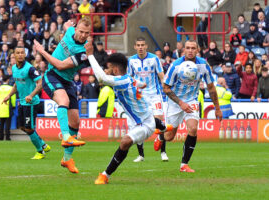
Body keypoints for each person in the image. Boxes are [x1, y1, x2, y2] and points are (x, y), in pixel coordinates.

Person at [83, 44, 170, 185]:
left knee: (125, 142)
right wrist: (140, 86)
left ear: (115, 69)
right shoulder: (129, 78)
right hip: (143, 118)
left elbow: (101, 78)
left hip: (144, 125)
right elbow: (141, 84)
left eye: (109, 68)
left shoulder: (123, 80)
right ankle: (164, 128)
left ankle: (105, 175)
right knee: (147, 125)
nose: (107, 70)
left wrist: (90, 55)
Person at [33, 18, 92, 173]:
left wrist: (42, 51)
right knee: (63, 100)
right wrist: (67, 24)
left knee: (76, 122)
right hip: (51, 75)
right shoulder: (71, 30)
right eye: (81, 31)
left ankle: (67, 159)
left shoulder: (82, 54)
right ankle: (65, 136)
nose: (83, 35)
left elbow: (60, 64)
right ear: (76, 28)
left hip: (66, 80)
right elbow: (67, 26)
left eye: (86, 33)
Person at [154, 40, 222, 173]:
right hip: (175, 102)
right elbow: (166, 88)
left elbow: (211, 87)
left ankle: (184, 164)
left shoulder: (203, 65)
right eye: (188, 48)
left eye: (193, 48)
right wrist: (180, 103)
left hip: (192, 100)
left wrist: (217, 108)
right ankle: (161, 137)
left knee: (193, 129)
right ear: (183, 50)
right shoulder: (176, 66)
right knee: (169, 136)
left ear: (197, 50)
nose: (190, 50)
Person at [2, 46, 51, 159]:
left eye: (22, 53)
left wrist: (31, 95)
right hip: (22, 102)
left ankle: (40, 152)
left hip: (31, 103)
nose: (20, 55)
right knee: (22, 127)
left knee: (29, 128)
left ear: (25, 55)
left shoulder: (30, 69)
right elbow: (16, 84)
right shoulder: (14, 68)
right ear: (14, 55)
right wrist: (9, 95)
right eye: (17, 53)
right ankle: (43, 144)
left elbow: (40, 83)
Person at [128, 37, 169, 162]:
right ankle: (141, 155)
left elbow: (161, 76)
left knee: (159, 120)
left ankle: (163, 152)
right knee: (138, 123)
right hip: (140, 96)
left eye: (142, 45)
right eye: (138, 45)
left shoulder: (154, 59)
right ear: (135, 47)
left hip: (154, 94)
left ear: (146, 46)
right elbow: (129, 78)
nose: (140, 47)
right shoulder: (131, 61)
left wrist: (166, 89)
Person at [0, 75, 16, 140]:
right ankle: (7, 137)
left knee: (1, 123)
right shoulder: (10, 88)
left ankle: (0, 137)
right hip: (8, 107)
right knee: (8, 123)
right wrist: (13, 105)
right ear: (8, 80)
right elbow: (13, 98)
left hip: (1, 107)